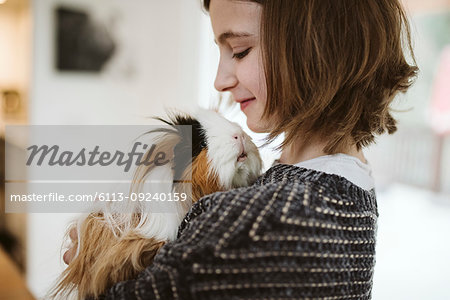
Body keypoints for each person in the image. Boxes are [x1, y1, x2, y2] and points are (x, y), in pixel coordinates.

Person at [64, 0, 417, 299]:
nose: (220, 80)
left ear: (319, 46)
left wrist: (95, 261)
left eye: (240, 50)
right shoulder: (348, 186)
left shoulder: (274, 220)